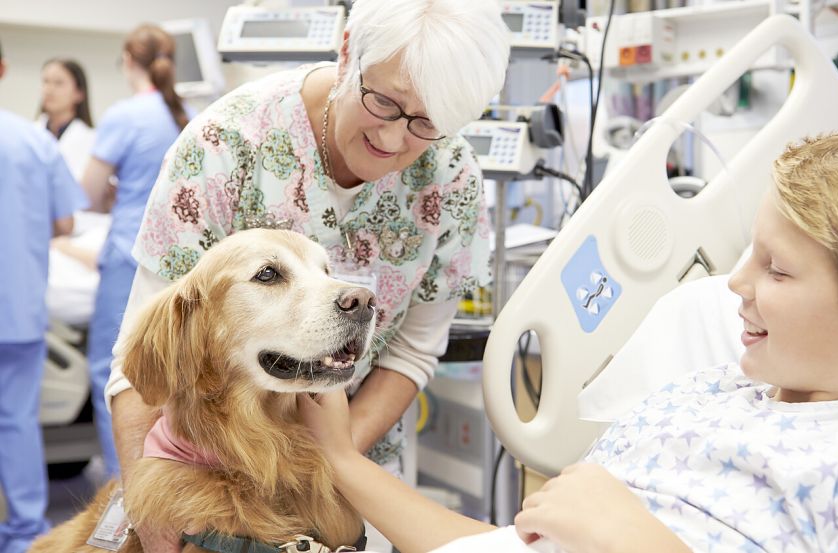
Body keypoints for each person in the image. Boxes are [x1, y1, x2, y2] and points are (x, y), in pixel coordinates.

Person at [300, 132, 838, 553]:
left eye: (775, 268)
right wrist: (337, 457)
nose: (736, 282)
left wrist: (629, 538)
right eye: (749, 252)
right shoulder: (699, 395)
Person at [103, 1, 510, 551]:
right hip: (205, 478)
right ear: (347, 54)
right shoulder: (225, 145)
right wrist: (153, 527)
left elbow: (411, 352)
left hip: (354, 480)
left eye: (425, 123)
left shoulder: (452, 180)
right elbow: (145, 359)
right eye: (383, 102)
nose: (393, 141)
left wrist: (329, 462)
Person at [79, 24, 191, 480]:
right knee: (175, 383)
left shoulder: (125, 115)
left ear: (129, 60)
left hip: (130, 260)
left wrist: (112, 194)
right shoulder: (192, 113)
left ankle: (124, 497)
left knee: (121, 378)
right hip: (187, 267)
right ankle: (172, 486)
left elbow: (86, 193)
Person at [0, 39, 88, 553]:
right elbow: (66, 221)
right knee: (15, 422)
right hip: (18, 310)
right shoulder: (34, 142)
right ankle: (24, 532)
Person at [37, 58, 96, 181]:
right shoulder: (30, 133)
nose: (49, 89)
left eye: (58, 83)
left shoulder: (92, 140)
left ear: (79, 93)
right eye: (45, 82)